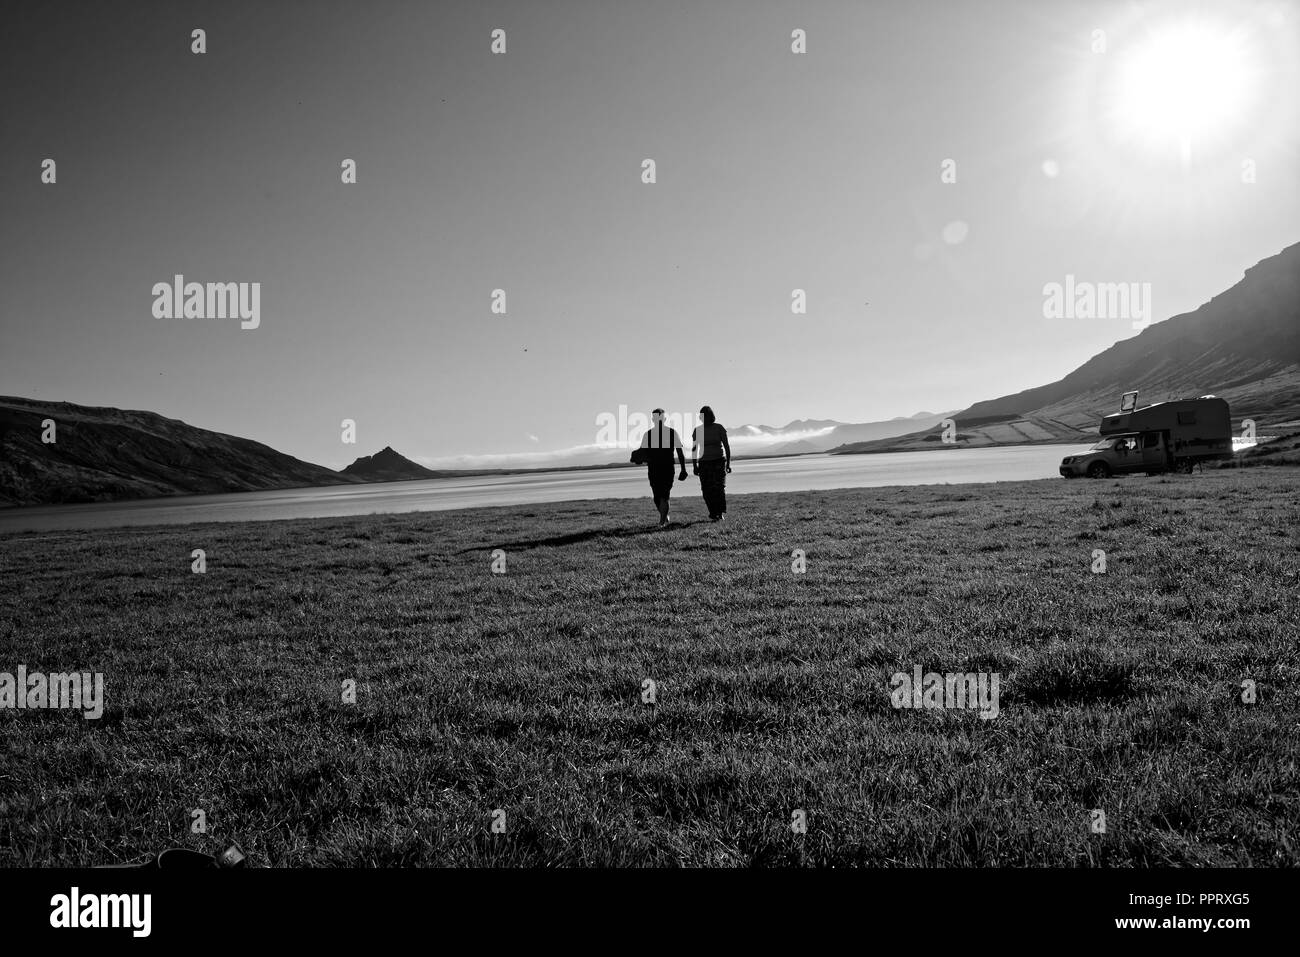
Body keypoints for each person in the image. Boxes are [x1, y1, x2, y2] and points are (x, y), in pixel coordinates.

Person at [638, 408, 687, 526]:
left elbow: (680, 452)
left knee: (664, 495)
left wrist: (683, 469)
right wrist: (638, 458)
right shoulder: (648, 434)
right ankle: (664, 515)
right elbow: (642, 452)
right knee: (656, 497)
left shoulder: (672, 432)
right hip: (653, 469)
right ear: (653, 420)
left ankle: (661, 522)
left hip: (668, 468)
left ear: (664, 419)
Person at [691, 405, 731, 521]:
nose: (705, 418)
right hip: (704, 463)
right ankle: (713, 512)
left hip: (719, 461)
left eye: (707, 416)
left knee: (719, 488)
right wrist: (695, 466)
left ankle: (719, 512)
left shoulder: (719, 428)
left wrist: (728, 464)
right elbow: (694, 449)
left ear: (711, 416)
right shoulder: (697, 430)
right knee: (706, 489)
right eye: (702, 416)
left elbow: (727, 447)